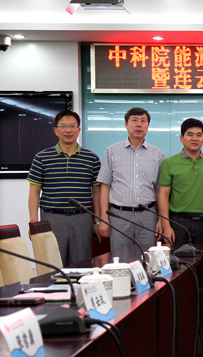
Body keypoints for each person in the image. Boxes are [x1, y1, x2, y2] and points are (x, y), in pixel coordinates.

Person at [27, 109, 102, 265]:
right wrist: (33, 221)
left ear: (78, 130)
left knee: (81, 265)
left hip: (82, 219)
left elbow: (97, 192)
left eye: (72, 126)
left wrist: (96, 221)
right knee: (51, 265)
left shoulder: (92, 158)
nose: (68, 130)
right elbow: (34, 191)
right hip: (51, 219)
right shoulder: (42, 157)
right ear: (56, 130)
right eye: (63, 126)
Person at [97, 107, 166, 252]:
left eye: (143, 121)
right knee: (121, 257)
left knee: (147, 257)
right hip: (119, 215)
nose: (139, 124)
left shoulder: (158, 154)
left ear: (148, 125)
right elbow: (105, 186)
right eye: (134, 120)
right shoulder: (111, 151)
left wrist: (160, 218)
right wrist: (104, 218)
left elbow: (159, 190)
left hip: (148, 215)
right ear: (126, 125)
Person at [158, 118, 203, 245]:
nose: (194, 138)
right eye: (190, 134)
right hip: (178, 222)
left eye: (199, 135)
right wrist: (166, 226)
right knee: (178, 257)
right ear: (181, 138)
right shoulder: (169, 163)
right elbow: (163, 195)